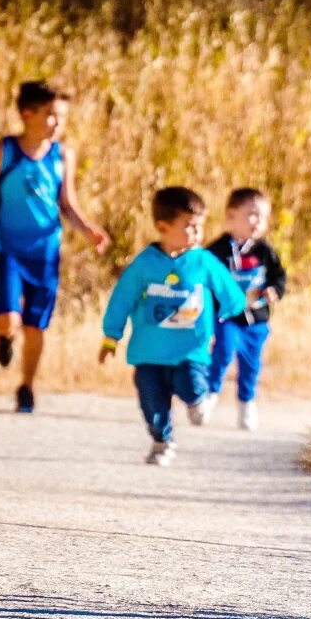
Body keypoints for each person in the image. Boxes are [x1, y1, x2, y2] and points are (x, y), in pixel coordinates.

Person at [0, 80, 110, 413]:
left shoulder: (62, 155)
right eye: (51, 115)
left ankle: (27, 387)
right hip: (9, 250)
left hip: (45, 253)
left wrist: (88, 229)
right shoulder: (4, 150)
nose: (58, 123)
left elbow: (67, 202)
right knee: (7, 319)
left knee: (36, 326)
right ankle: (4, 338)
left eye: (62, 117)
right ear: (27, 114)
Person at [99, 187, 245, 466]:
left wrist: (231, 310)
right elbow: (122, 300)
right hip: (149, 352)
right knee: (152, 402)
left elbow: (229, 291)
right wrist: (110, 337)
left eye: (200, 226)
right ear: (162, 227)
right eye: (189, 226)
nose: (198, 233)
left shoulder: (202, 260)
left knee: (190, 385)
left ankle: (198, 399)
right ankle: (162, 442)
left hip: (190, 349)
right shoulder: (144, 265)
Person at [205, 187, 287, 431]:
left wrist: (274, 290)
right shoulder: (218, 250)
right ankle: (209, 394)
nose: (258, 222)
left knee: (251, 363)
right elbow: (204, 276)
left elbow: (278, 276)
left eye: (263, 217)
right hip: (227, 316)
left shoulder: (264, 251)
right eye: (252, 214)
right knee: (223, 350)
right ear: (231, 215)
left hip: (256, 318)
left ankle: (246, 402)